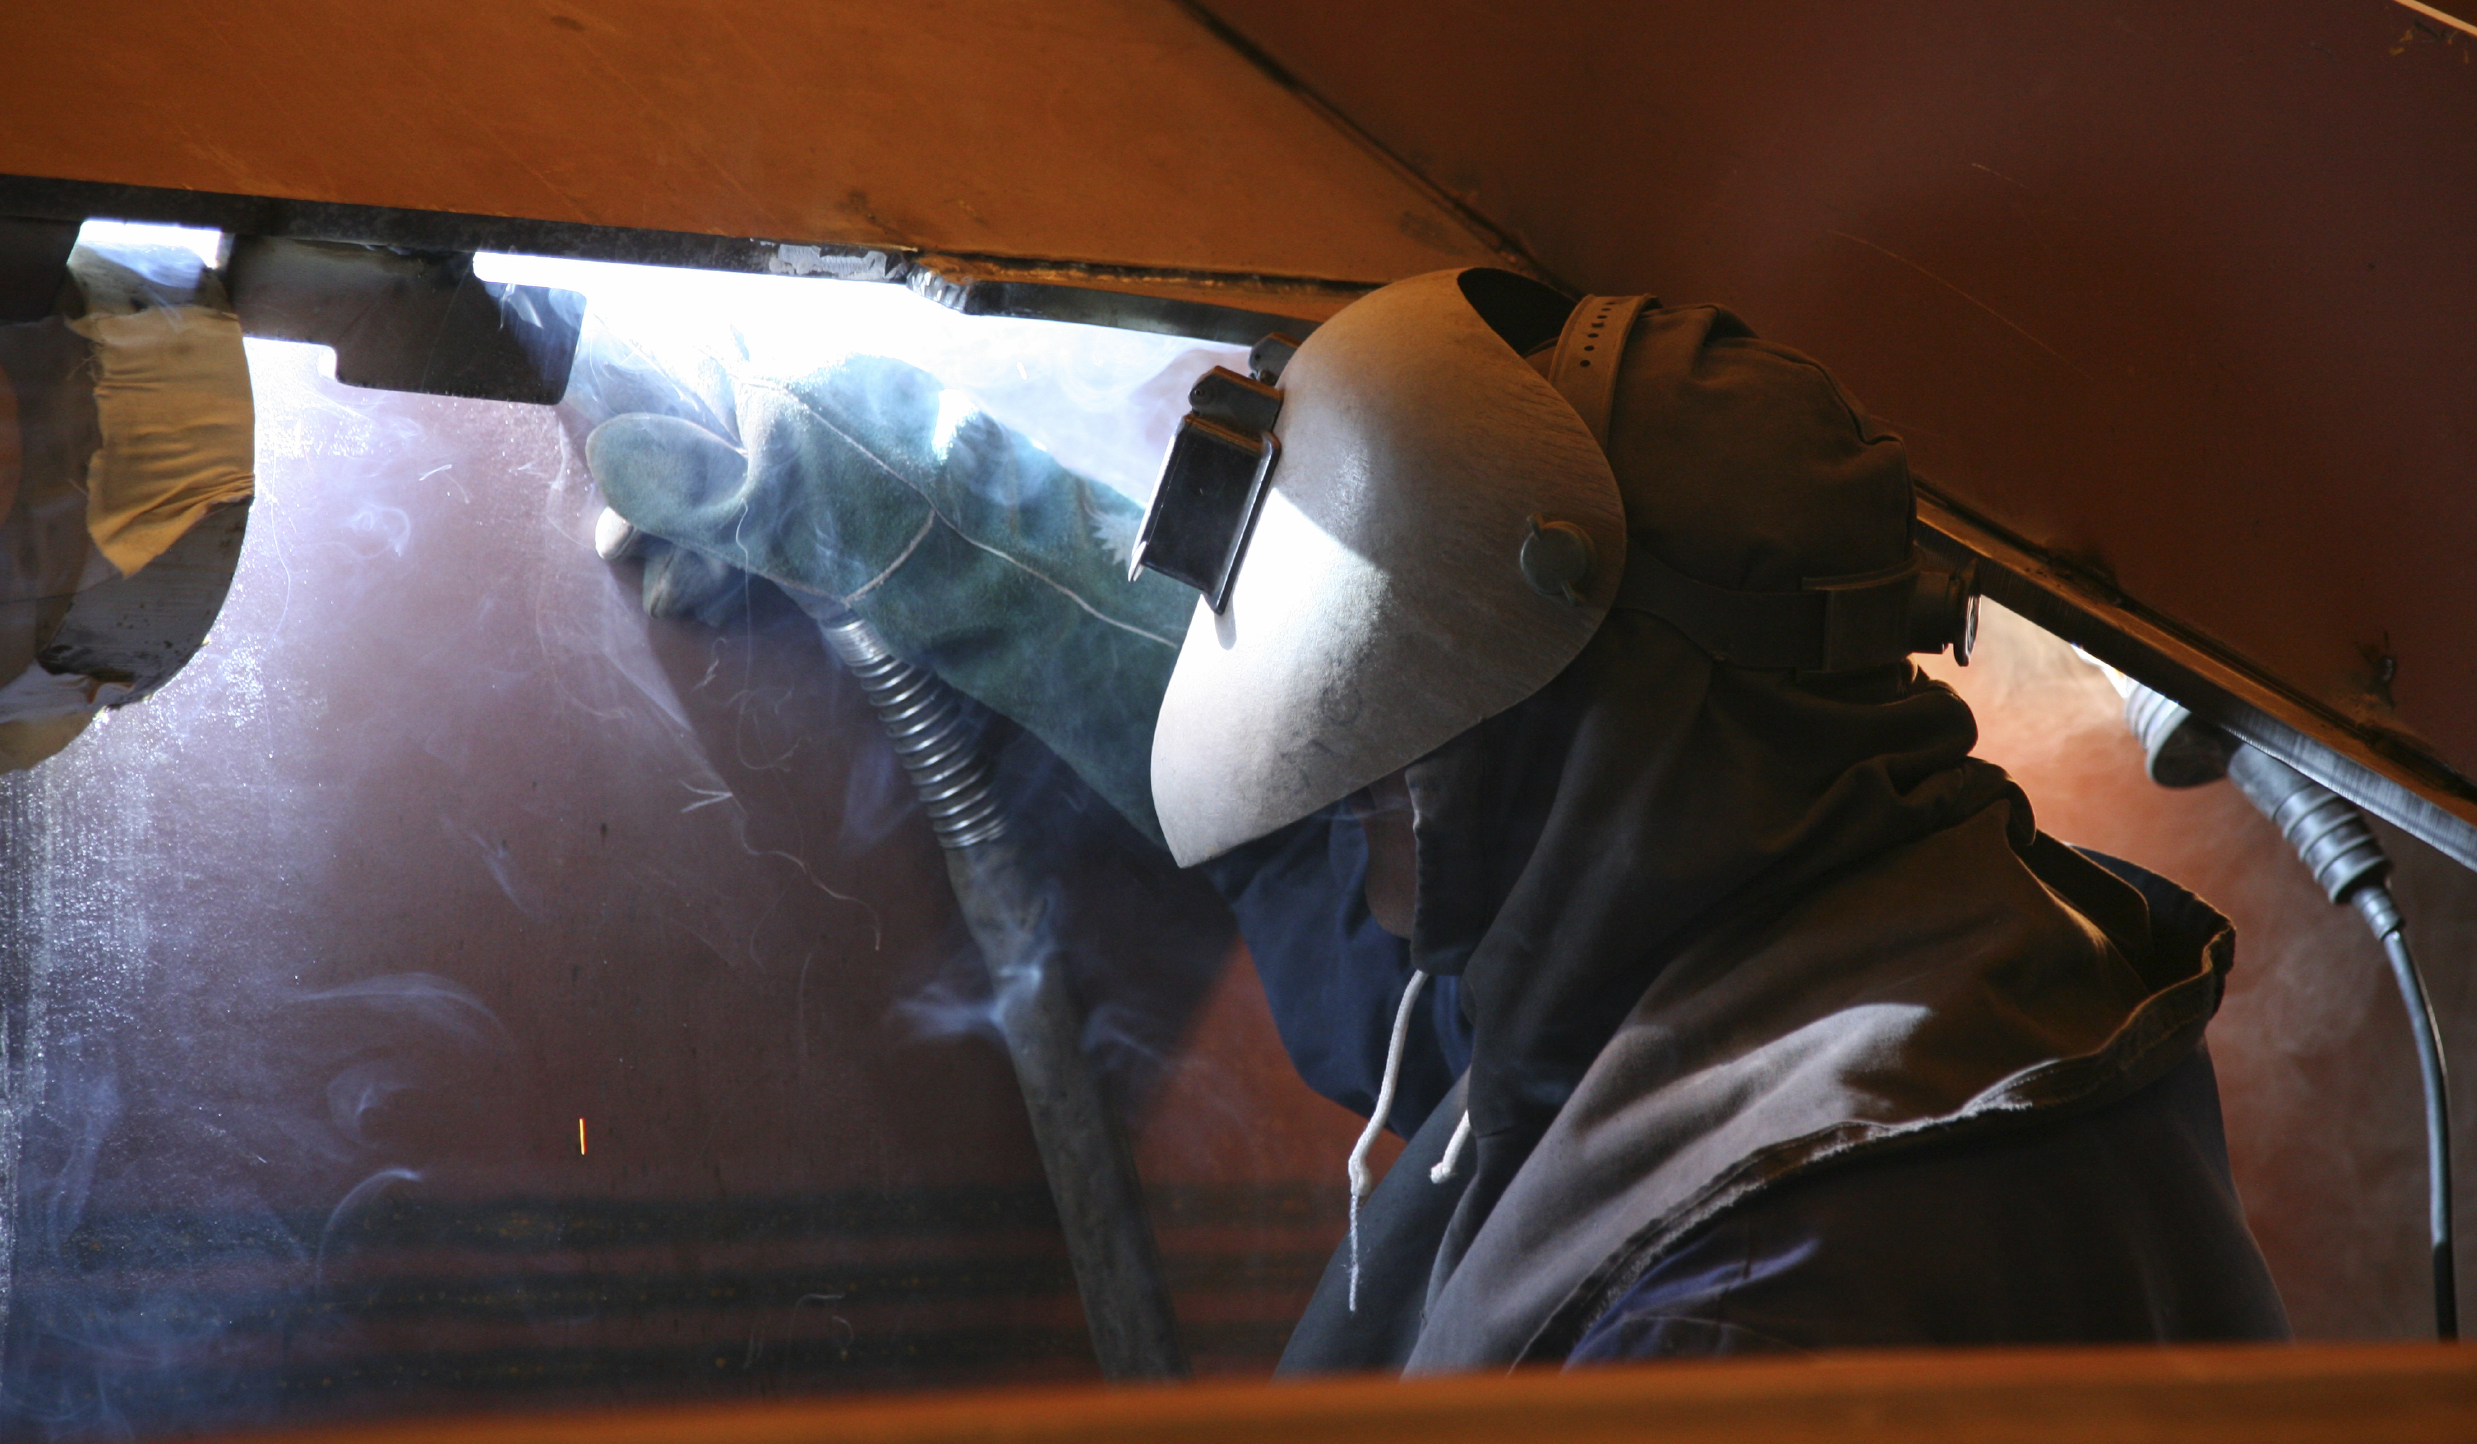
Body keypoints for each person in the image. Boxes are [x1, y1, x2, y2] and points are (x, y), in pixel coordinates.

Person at [585, 267, 2289, 1373]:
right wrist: (828, 464)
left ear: (1575, 738)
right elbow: (1331, 887)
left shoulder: (1772, 1293)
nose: (1368, 826)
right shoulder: (1839, 916)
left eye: (1394, 757)